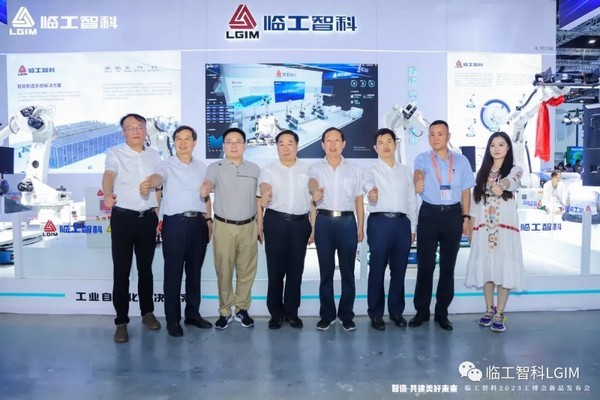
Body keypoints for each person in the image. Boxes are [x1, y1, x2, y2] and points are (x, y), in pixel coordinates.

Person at [140, 125, 213, 337]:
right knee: (173, 273)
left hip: (198, 223)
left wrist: (208, 220)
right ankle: (173, 320)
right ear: (174, 142)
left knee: (194, 273)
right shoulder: (166, 165)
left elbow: (206, 195)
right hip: (174, 224)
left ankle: (193, 314)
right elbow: (158, 178)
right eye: (178, 139)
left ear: (194, 143)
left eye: (187, 138)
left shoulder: (202, 167)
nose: (182, 143)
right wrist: (149, 182)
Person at [410, 120, 475, 331]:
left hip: (453, 215)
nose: (435, 138)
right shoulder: (422, 158)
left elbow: (466, 191)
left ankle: (442, 313)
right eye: (432, 134)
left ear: (448, 136)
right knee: (425, 266)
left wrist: (466, 217)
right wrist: (418, 181)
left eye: (440, 134)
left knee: (448, 268)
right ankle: (421, 312)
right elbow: (418, 173)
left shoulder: (462, 161)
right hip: (429, 214)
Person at [102, 113, 161, 343]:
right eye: (130, 128)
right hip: (123, 219)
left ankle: (148, 313)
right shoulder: (115, 153)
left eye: (139, 127)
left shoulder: (154, 154)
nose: (136, 131)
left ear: (145, 129)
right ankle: (121, 322)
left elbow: (159, 180)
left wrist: (152, 186)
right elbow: (109, 175)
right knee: (122, 271)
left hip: (147, 219)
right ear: (123, 132)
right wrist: (108, 193)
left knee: (146, 269)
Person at [200, 127, 261, 330]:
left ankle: (242, 309)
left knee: (247, 271)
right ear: (224, 145)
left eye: (238, 141)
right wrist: (205, 189)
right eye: (229, 141)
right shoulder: (215, 167)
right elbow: (208, 184)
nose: (233, 145)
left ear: (245, 145)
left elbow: (258, 199)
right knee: (224, 270)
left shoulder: (254, 169)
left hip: (249, 226)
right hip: (224, 226)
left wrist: (260, 226)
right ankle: (225, 311)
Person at [464, 131, 525, 333]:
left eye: (501, 144)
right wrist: (471, 227)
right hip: (483, 229)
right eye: (493, 145)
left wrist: (502, 185)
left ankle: (500, 312)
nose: (497, 148)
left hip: (504, 230)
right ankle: (489, 309)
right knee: (487, 268)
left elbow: (512, 180)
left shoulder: (515, 169)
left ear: (508, 148)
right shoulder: (481, 174)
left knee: (504, 267)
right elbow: (476, 203)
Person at [258, 130, 315, 329]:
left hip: (300, 224)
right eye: (281, 144)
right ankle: (275, 314)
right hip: (275, 222)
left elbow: (313, 201)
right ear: (277, 147)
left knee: (295, 270)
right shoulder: (269, 169)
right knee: (275, 270)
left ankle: (292, 312)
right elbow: (264, 185)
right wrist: (265, 193)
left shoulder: (308, 169)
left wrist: (313, 227)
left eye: (290, 143)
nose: (285, 147)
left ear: (297, 146)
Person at [309, 127, 364, 332]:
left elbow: (359, 199)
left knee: (348, 272)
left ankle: (346, 315)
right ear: (322, 145)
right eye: (328, 141)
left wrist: (360, 225)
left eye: (336, 140)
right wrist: (315, 190)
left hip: (347, 222)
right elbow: (312, 182)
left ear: (343, 144)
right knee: (326, 272)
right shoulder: (316, 167)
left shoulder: (355, 169)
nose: (332, 144)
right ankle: (327, 315)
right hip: (324, 222)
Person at [362, 128, 417, 331]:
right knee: (377, 270)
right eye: (381, 142)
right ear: (375, 148)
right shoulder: (370, 170)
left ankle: (396, 312)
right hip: (379, 223)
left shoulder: (406, 171)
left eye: (389, 141)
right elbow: (367, 183)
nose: (385, 145)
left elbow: (412, 200)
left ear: (395, 144)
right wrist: (371, 191)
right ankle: (376, 314)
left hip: (402, 224)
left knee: (399, 271)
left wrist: (412, 226)